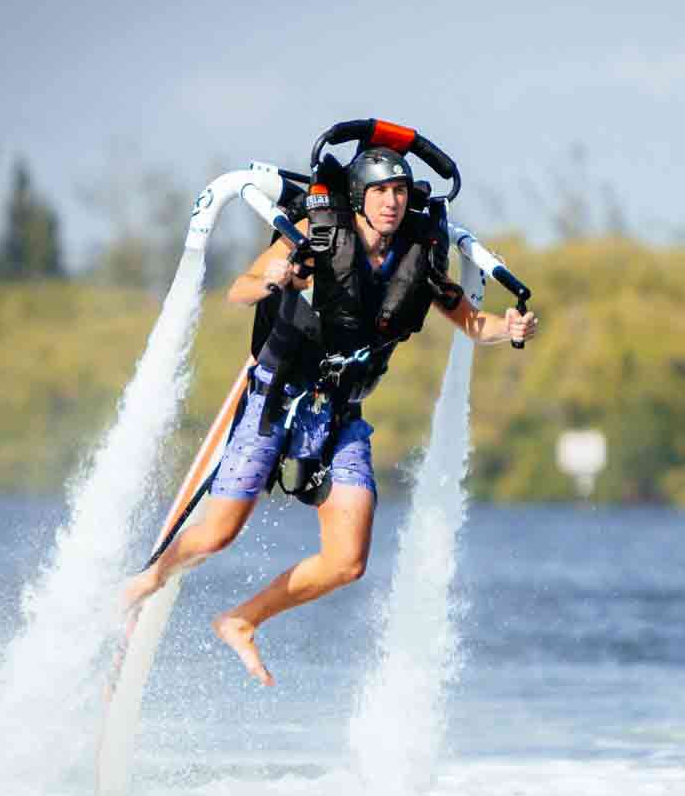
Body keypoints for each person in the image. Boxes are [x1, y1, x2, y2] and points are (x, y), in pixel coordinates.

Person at [123, 144, 538, 686]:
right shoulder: (316, 236)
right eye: (380, 191)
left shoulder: (420, 254)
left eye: (399, 192)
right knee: (216, 536)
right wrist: (279, 279)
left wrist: (510, 329)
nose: (391, 202)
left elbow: (473, 323)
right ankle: (137, 589)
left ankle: (241, 620)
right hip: (278, 397)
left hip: (340, 413)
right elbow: (239, 291)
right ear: (360, 198)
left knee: (347, 561)